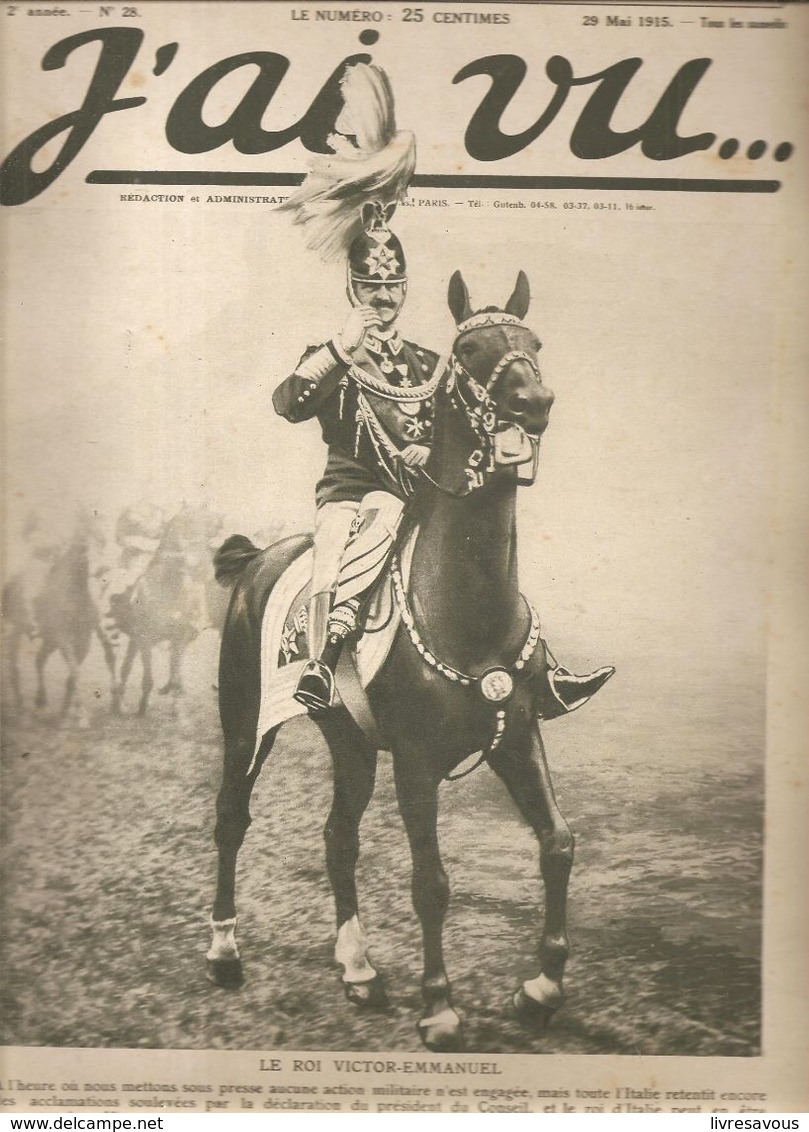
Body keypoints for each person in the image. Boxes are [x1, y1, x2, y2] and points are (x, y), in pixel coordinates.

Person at [274, 205, 440, 711]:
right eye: (371, 286)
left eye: (393, 286)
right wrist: (340, 349)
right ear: (352, 288)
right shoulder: (331, 356)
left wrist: (431, 447)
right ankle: (321, 663)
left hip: (425, 498)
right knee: (331, 549)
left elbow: (454, 435)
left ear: (405, 289)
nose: (384, 297)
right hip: (350, 494)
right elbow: (288, 404)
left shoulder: (430, 364)